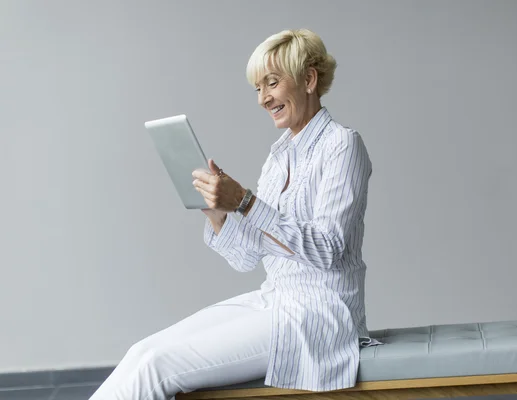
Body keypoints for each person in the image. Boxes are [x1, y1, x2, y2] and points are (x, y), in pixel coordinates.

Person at [89, 28, 381, 400]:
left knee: (157, 366)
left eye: (271, 83)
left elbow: (328, 250)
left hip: (319, 316)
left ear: (309, 79)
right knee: (142, 353)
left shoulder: (343, 145)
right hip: (276, 299)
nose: (263, 99)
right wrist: (217, 212)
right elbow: (246, 258)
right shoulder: (279, 157)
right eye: (258, 88)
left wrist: (244, 201)